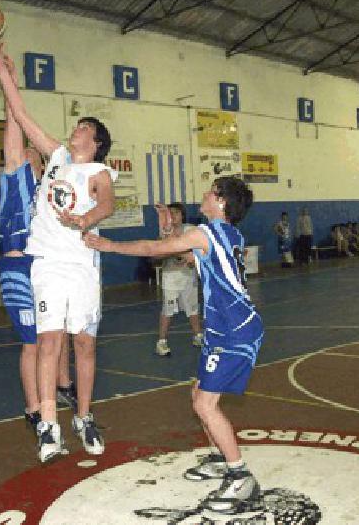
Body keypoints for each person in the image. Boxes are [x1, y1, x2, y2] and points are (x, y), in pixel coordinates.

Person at [84, 176, 264, 514]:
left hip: (235, 331)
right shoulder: (227, 235)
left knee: (206, 405)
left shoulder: (207, 232)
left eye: (211, 191)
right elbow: (187, 258)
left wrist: (107, 245)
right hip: (225, 329)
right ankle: (220, 459)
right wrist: (170, 232)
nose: (205, 194)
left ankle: (241, 477)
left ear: (221, 201)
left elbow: (155, 251)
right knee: (198, 396)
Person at [0, 44, 90, 461]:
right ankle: (33, 409)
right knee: (32, 345)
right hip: (17, 268)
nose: (25, 150)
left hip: (48, 267)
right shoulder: (15, 181)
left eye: (32, 151)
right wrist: (6, 77)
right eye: (23, 149)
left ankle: (61, 385)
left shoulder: (52, 190)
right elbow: (17, 129)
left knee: (56, 335)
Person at [154, 202, 203, 357]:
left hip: (189, 276)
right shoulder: (164, 232)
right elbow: (158, 254)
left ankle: (198, 336)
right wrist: (174, 253)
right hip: (171, 277)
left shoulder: (191, 230)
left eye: (176, 213)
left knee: (193, 308)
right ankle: (161, 342)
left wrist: (189, 257)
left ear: (182, 215)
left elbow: (198, 249)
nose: (173, 216)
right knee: (168, 310)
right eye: (170, 213)